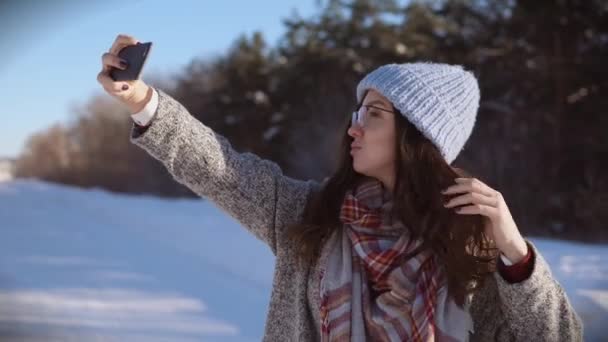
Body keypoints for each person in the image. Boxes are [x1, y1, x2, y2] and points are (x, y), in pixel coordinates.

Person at [97, 34, 583, 341]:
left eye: (373, 114)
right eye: (357, 112)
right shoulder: (310, 215)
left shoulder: (470, 237)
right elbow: (219, 168)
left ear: (419, 137)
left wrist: (517, 255)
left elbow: (559, 336)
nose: (353, 127)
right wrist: (142, 101)